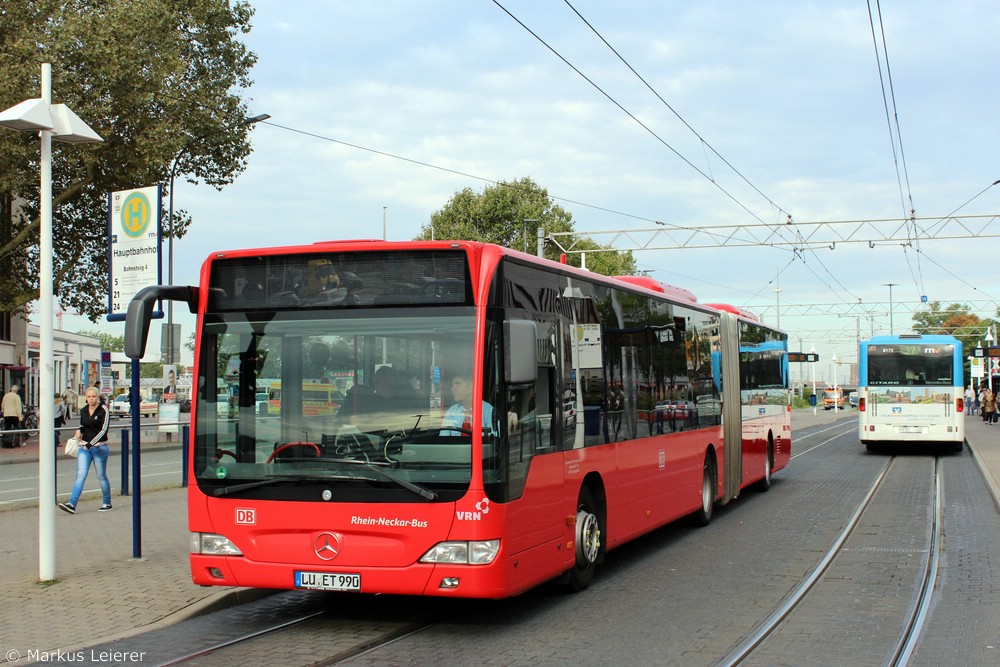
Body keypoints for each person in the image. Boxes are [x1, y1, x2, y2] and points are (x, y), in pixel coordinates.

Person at [58, 387, 112, 514]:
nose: (91, 399)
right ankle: (72, 503)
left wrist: (91, 444)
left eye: (93, 396)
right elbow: (83, 425)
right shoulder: (83, 410)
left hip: (99, 447)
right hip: (84, 447)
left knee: (101, 476)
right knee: (80, 475)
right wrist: (79, 430)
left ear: (97, 397)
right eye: (89, 397)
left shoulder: (104, 410)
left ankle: (107, 502)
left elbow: (103, 430)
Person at [1, 384, 23, 448]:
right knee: (16, 428)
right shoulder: (17, 397)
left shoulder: (6, 396)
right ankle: (16, 442)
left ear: (11, 389)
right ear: (17, 391)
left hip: (7, 414)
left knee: (7, 428)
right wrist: (20, 415)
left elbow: (2, 405)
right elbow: (18, 407)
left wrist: (4, 411)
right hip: (14, 415)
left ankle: (6, 442)